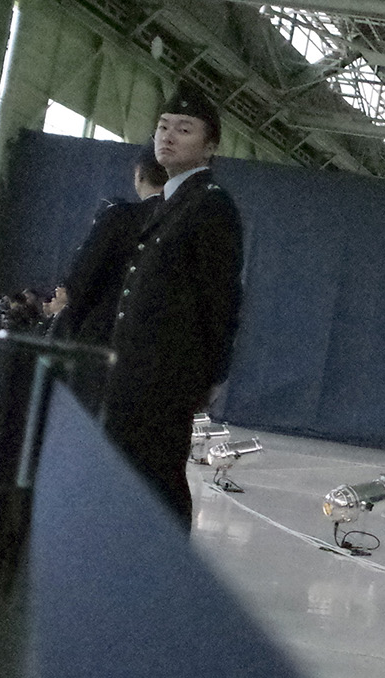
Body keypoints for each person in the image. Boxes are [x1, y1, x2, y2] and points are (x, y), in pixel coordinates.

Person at [101, 84, 243, 530]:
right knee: (129, 477)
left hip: (166, 373)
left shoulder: (210, 205)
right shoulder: (173, 201)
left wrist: (211, 374)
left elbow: (220, 298)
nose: (167, 136)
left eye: (184, 129)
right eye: (163, 126)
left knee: (158, 479)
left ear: (210, 145)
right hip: (135, 367)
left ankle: (166, 579)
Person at [53, 145, 168, 346]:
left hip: (104, 342)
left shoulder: (119, 217)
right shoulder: (188, 223)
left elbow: (83, 277)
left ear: (139, 173)